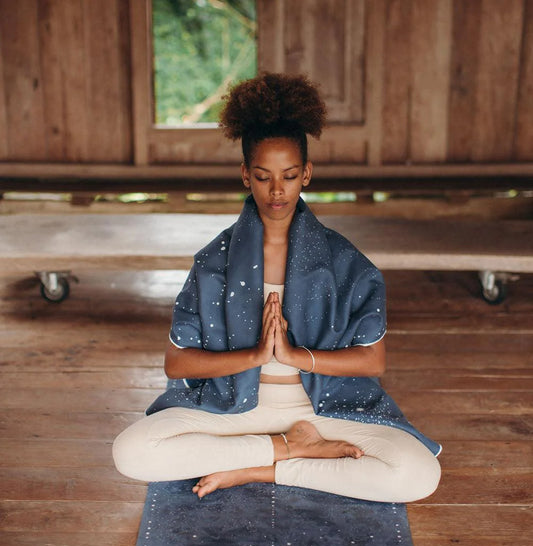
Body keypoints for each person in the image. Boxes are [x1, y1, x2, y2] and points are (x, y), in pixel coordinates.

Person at [112, 73, 441, 502]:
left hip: (322, 409)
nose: (277, 190)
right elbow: (177, 365)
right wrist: (255, 356)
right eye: (264, 176)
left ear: (306, 173)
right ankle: (288, 451)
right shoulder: (214, 262)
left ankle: (260, 469)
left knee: (419, 474)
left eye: (288, 175)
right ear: (246, 175)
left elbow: (373, 361)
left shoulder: (345, 261)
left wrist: (293, 356)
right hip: (233, 406)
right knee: (130, 453)